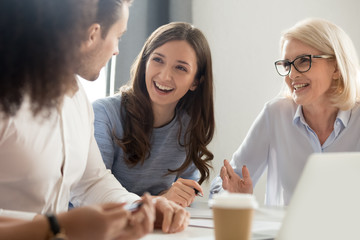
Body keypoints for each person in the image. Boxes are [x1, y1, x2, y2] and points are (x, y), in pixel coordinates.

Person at [0, 0, 188, 237]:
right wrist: (56, 227)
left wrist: (139, 207)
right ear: (92, 34)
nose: (117, 50)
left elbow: (92, 181)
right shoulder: (6, 97)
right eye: (118, 36)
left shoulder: (76, 99)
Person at [210, 18, 360, 206]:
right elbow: (229, 180)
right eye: (287, 65)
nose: (292, 75)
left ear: (336, 67)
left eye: (304, 61)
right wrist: (230, 195)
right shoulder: (276, 114)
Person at [93, 22, 215, 207]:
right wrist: (159, 201)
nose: (165, 76)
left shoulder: (189, 127)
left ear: (196, 82)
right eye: (158, 60)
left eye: (181, 68)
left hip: (151, 231)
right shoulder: (104, 114)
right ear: (145, 62)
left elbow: (183, 195)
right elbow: (93, 195)